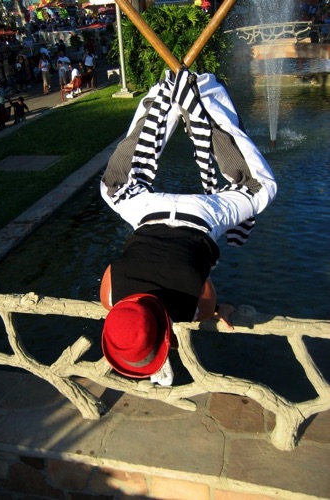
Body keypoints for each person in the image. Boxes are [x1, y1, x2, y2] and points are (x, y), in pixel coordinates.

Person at [99, 70, 277, 386]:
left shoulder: (190, 308)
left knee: (260, 187)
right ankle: (165, 95)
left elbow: (207, 294)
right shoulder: (109, 296)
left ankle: (204, 96)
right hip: (147, 213)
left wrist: (221, 309)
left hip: (202, 218)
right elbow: (125, 272)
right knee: (114, 185)